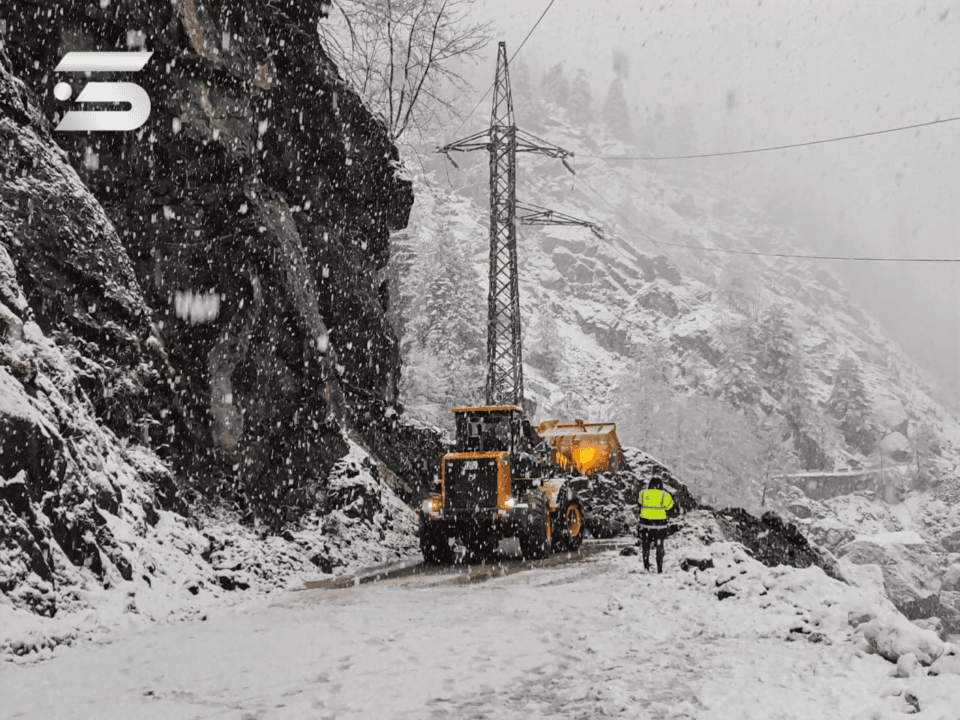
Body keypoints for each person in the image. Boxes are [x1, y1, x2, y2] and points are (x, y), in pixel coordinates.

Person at [637, 475, 679, 573]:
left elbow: (639, 505)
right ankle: (659, 568)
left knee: (645, 546)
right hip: (660, 526)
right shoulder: (664, 494)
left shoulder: (642, 493)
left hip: (645, 526)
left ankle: (646, 567)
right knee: (660, 546)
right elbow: (670, 508)